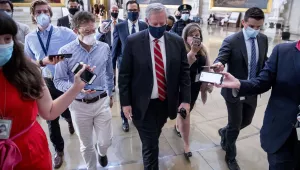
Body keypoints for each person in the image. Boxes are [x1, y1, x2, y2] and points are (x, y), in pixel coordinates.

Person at [0, 11, 88, 170]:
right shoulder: (31, 38)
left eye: (7, 39)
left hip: (30, 151)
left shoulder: (26, 71)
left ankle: (65, 131)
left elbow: (49, 111)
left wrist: (76, 87)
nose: (2, 45)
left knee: (61, 117)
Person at [118, 3, 191, 169]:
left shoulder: (176, 41)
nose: (159, 27)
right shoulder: (133, 41)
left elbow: (184, 73)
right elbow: (124, 75)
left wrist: (186, 100)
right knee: (151, 145)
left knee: (154, 136)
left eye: (162, 24)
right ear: (146, 21)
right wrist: (125, 103)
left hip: (165, 103)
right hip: (142, 104)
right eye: (154, 24)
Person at [215, 40, 300, 170]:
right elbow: (263, 82)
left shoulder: (263, 40)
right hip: (282, 133)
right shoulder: (282, 51)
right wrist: (239, 84)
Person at [54, 11, 114, 170]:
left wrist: (111, 93)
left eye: (93, 30)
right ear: (75, 31)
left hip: (101, 100)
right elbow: (58, 81)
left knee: (106, 141)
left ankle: (102, 152)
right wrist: (76, 89)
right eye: (87, 32)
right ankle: (91, 167)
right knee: (86, 145)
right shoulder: (64, 52)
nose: (91, 34)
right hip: (79, 105)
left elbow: (109, 73)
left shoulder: (104, 47)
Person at [212, 7, 268, 170]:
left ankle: (224, 131)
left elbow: (265, 61)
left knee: (247, 121)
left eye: (259, 27)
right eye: (252, 26)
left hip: (252, 88)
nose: (255, 30)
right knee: (235, 126)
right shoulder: (232, 40)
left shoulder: (263, 39)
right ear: (243, 22)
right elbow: (221, 58)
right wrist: (219, 64)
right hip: (233, 90)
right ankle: (230, 157)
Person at [24, 0, 77, 168]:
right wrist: (41, 61)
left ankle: (69, 119)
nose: (42, 15)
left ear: (50, 14)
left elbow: (78, 49)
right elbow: (28, 60)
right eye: (38, 12)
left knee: (67, 111)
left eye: (45, 11)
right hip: (45, 81)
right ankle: (58, 150)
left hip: (65, 80)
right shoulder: (30, 37)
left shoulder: (65, 32)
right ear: (33, 15)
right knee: (50, 118)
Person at [174, 23, 213, 159]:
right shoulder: (180, 49)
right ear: (185, 37)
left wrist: (209, 80)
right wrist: (192, 52)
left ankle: (177, 123)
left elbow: (207, 67)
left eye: (198, 35)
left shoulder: (203, 49)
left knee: (187, 110)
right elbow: (182, 68)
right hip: (183, 86)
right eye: (192, 35)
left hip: (195, 85)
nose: (196, 38)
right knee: (186, 112)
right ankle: (186, 145)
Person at [112, 0, 148, 132]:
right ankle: (124, 118)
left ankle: (136, 115)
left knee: (139, 91)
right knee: (124, 92)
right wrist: (112, 68)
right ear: (126, 12)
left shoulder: (144, 26)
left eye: (135, 10)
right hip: (124, 66)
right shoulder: (119, 27)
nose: (133, 12)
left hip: (141, 67)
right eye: (130, 10)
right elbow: (115, 48)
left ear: (139, 11)